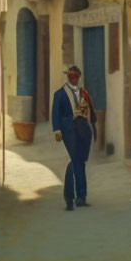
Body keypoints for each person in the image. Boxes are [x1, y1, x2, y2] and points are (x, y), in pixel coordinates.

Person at [51, 65, 96, 210]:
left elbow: (90, 110)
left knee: (81, 161)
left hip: (82, 129)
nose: (73, 79)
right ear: (68, 77)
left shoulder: (83, 92)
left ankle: (78, 196)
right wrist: (57, 130)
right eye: (71, 76)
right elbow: (56, 113)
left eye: (76, 76)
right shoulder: (60, 94)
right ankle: (75, 197)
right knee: (76, 160)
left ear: (78, 77)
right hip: (68, 130)